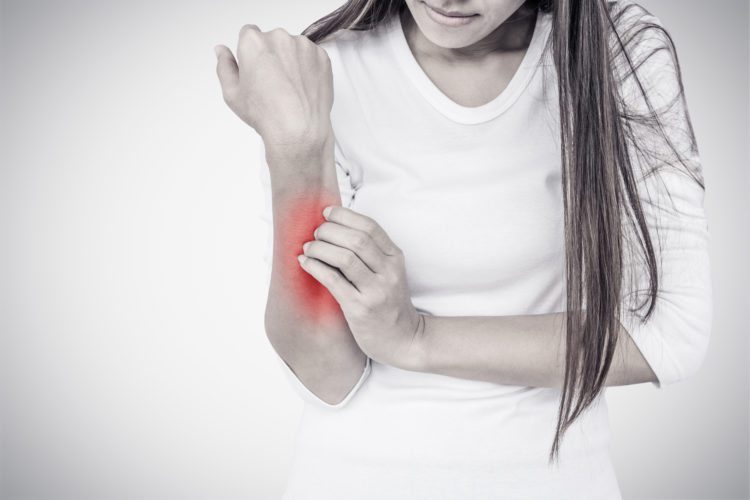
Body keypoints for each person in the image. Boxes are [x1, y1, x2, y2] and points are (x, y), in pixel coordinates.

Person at [214, 0, 712, 497]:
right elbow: (327, 377)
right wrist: (297, 148)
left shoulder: (616, 51)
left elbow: (672, 333)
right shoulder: (329, 68)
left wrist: (417, 337)